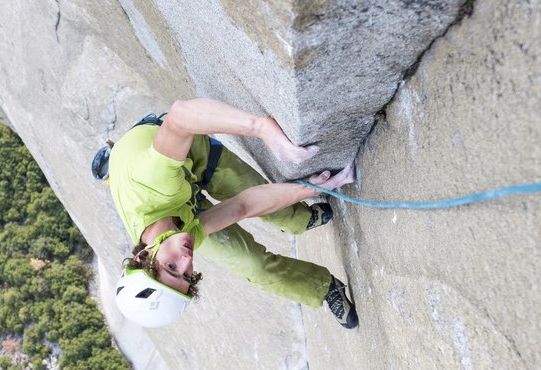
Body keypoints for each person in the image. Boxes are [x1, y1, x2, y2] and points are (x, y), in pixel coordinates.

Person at [107, 98, 358, 329]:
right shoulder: (174, 242)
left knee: (241, 184)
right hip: (178, 209)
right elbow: (243, 207)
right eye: (186, 275)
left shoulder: (150, 183)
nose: (187, 260)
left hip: (187, 157)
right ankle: (323, 287)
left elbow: (180, 116)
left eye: (171, 267)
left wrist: (261, 127)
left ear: (141, 256)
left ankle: (300, 218)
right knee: (253, 265)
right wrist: (306, 189)